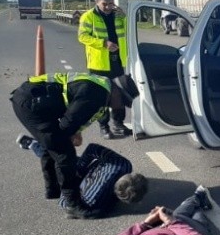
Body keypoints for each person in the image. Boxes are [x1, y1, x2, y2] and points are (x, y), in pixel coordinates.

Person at [11, 72, 137, 216]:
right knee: (64, 154)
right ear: (117, 92)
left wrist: (76, 132)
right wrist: (71, 137)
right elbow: (66, 126)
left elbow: (76, 113)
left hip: (35, 100)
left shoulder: (102, 87)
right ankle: (72, 204)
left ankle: (53, 189)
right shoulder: (97, 94)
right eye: (122, 101)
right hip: (32, 104)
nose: (120, 107)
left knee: (51, 145)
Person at [17, 137, 148, 219]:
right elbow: (64, 203)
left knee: (58, 159)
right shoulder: (94, 199)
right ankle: (35, 144)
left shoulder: (123, 164)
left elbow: (92, 149)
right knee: (61, 162)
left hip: (84, 177)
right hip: (82, 174)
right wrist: (77, 170)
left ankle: (34, 144)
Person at [78, 0, 132, 139]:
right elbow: (82, 36)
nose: (108, 7)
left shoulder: (117, 15)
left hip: (117, 61)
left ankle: (119, 125)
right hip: (98, 64)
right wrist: (103, 43)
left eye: (110, 3)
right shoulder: (88, 16)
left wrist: (124, 17)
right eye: (104, 4)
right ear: (97, 2)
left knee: (118, 95)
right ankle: (104, 127)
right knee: (101, 97)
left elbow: (128, 31)